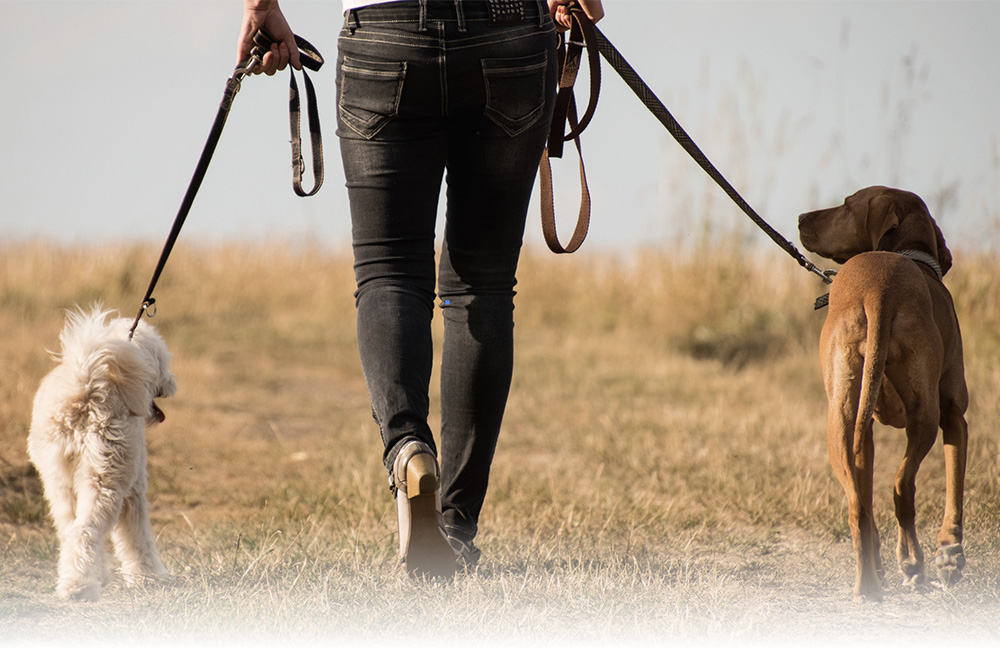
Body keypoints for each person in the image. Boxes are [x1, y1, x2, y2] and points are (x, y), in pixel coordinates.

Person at [238, 0, 605, 578]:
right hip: (507, 33)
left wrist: (261, 7)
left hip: (383, 34)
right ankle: (455, 528)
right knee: (481, 286)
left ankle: (408, 448)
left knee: (389, 272)